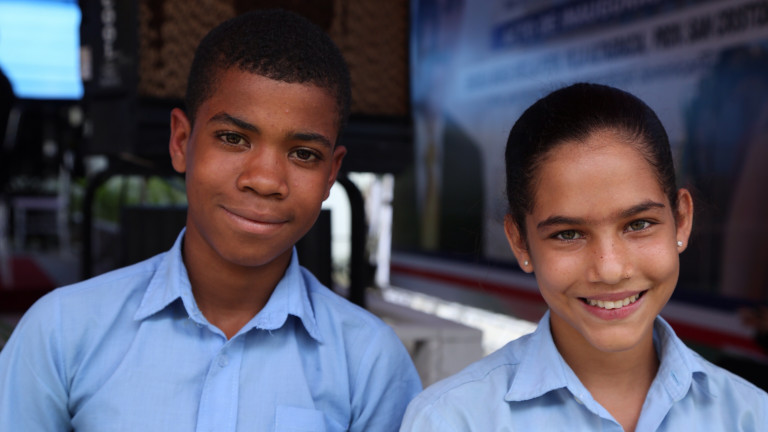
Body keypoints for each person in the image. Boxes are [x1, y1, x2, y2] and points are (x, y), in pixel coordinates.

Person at [0, 9, 421, 431]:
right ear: (181, 142)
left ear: (331, 173)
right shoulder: (62, 331)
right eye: (233, 139)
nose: (265, 180)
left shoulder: (369, 365)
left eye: (303, 154)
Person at [400, 83, 768, 431]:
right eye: (568, 234)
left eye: (638, 224)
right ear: (520, 242)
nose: (609, 269)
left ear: (681, 220)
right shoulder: (454, 420)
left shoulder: (750, 416)